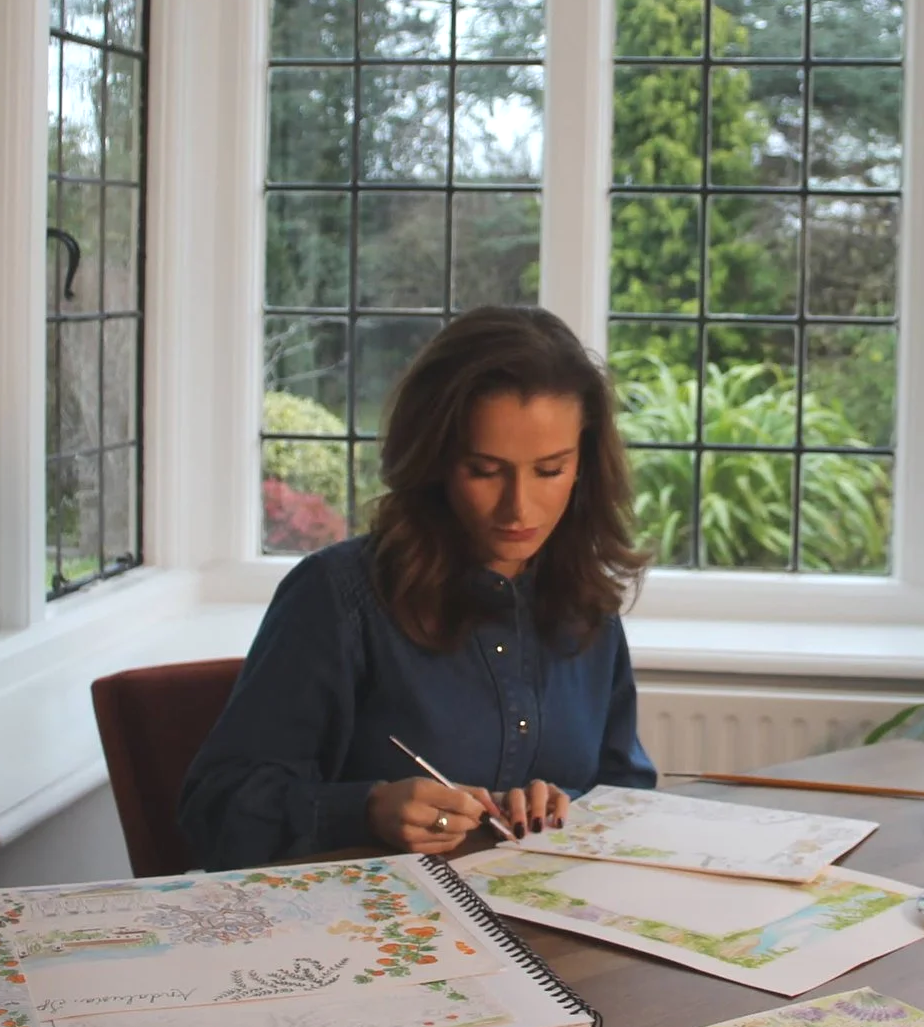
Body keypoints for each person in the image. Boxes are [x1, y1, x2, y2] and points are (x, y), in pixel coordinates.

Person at [180, 307, 658, 870]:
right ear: (434, 461)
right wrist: (367, 809)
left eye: (550, 471)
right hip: (364, 939)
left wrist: (566, 807)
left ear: (583, 466)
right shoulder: (336, 598)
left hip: (550, 935)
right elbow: (214, 812)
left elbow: (627, 797)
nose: (518, 508)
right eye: (484, 470)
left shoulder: (586, 603)